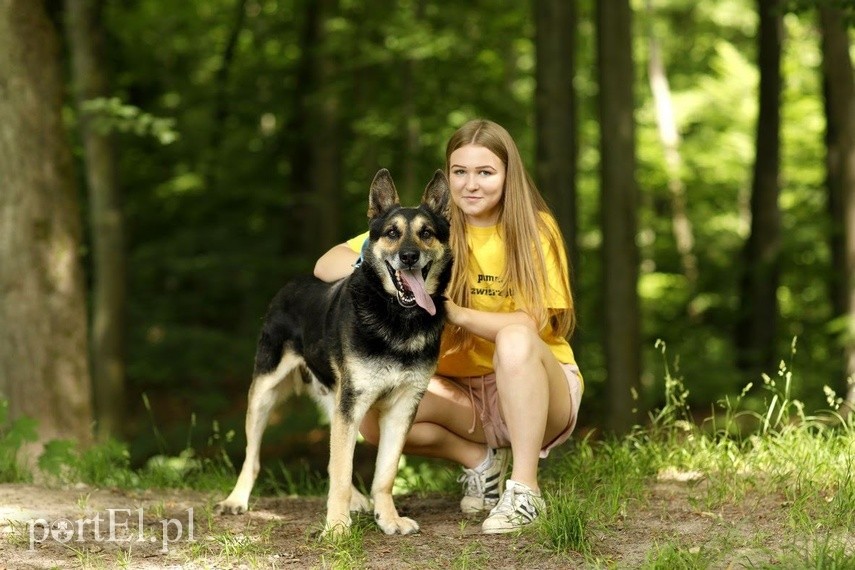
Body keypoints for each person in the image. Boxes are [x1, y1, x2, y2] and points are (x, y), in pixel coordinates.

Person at [313, 119, 583, 534]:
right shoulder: (426, 230)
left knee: (515, 337)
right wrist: (377, 265)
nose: (471, 184)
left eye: (486, 172)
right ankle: (481, 462)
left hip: (538, 386)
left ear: (509, 174)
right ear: (448, 176)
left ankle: (525, 491)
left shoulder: (534, 229)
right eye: (460, 172)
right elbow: (325, 264)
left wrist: (450, 310)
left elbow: (534, 323)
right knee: (371, 419)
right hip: (460, 396)